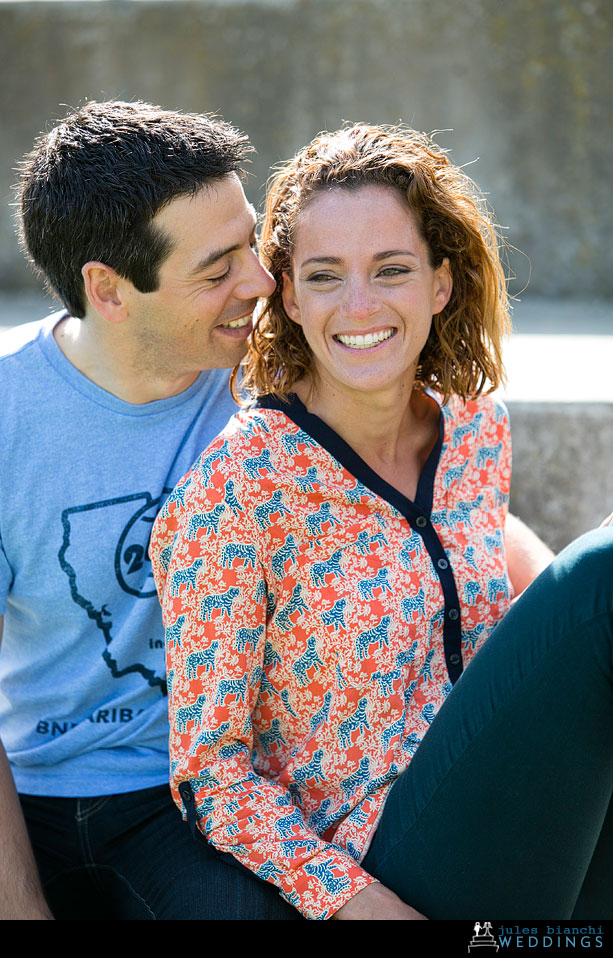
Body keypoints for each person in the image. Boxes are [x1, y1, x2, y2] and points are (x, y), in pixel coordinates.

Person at [151, 123, 613, 920]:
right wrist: (355, 904)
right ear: (288, 296)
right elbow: (211, 775)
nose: (358, 306)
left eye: (391, 270)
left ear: (440, 282)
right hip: (380, 861)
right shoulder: (241, 487)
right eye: (325, 276)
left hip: (519, 806)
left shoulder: (473, 430)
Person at [0, 99, 276, 919]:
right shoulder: (8, 414)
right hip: (29, 792)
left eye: (253, 241)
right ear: (109, 290)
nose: (260, 282)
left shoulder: (274, 379)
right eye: (217, 267)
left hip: (192, 796)